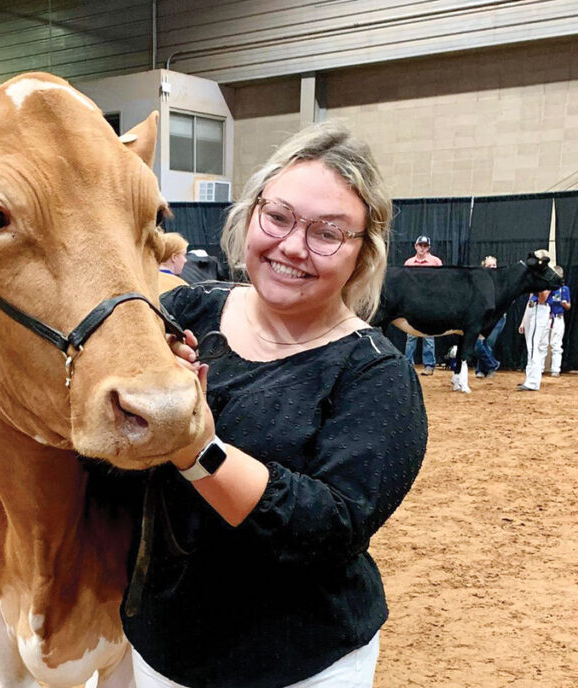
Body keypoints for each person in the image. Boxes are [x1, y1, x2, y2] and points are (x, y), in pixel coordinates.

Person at [122, 121, 428, 688]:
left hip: (300, 663)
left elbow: (329, 531)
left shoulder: (375, 374)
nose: (291, 246)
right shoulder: (186, 313)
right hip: (163, 648)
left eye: (328, 233)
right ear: (251, 213)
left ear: (363, 254)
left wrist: (197, 449)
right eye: (279, 216)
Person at [403, 235, 442, 375]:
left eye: (425, 246)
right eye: (420, 245)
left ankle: (429, 365)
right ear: (415, 246)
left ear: (428, 248)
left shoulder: (436, 262)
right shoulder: (408, 263)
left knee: (428, 335)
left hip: (429, 303)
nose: (422, 248)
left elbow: (441, 283)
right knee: (410, 336)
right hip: (412, 303)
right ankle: (407, 365)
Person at [474, 255, 506, 378]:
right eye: (489, 266)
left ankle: (482, 370)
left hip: (498, 317)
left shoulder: (502, 281)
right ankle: (492, 365)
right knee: (480, 343)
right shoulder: (481, 282)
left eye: (494, 265)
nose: (492, 268)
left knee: (488, 342)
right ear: (484, 267)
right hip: (484, 317)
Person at [517, 288, 552, 391]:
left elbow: (543, 297)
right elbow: (530, 298)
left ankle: (533, 382)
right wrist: (523, 321)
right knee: (530, 346)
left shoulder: (548, 277)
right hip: (531, 307)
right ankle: (529, 379)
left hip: (539, 307)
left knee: (533, 346)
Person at [547, 266, 571, 377]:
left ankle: (555, 369)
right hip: (548, 317)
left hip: (559, 317)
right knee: (542, 343)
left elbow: (568, 306)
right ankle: (539, 368)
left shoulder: (565, 289)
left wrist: (565, 304)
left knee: (556, 344)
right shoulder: (548, 289)